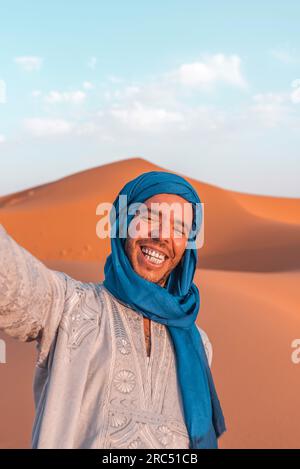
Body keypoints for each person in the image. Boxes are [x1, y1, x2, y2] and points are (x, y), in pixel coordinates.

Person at [0, 170, 226, 449]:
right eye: (150, 218)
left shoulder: (199, 345)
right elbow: (10, 276)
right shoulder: (69, 306)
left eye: (179, 229)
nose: (162, 236)